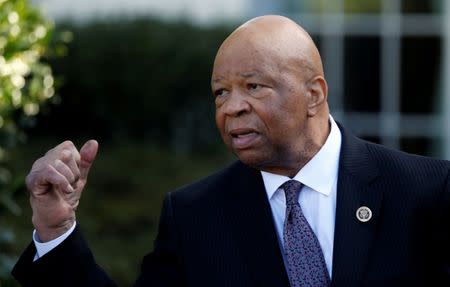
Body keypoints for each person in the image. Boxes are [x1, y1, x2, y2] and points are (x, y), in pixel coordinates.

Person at [12, 15, 450, 287]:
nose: (231, 106)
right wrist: (55, 231)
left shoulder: (425, 191)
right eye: (220, 93)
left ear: (314, 94)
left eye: (252, 86)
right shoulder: (196, 215)